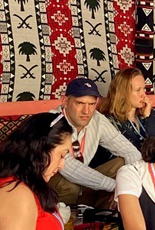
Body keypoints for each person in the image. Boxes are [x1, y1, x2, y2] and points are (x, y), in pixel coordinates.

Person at [48, 77, 141, 208]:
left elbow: (130, 151)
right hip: (49, 188)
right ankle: (65, 222)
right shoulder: (52, 121)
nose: (86, 111)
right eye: (80, 103)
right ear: (65, 101)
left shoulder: (97, 119)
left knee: (122, 165)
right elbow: (68, 167)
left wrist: (130, 185)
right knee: (69, 185)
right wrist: (116, 186)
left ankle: (102, 219)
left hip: (83, 185)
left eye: (91, 104)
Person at [104, 68, 153, 155]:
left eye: (144, 89)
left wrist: (148, 118)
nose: (144, 95)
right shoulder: (110, 122)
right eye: (138, 90)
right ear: (123, 93)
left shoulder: (143, 118)